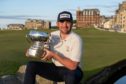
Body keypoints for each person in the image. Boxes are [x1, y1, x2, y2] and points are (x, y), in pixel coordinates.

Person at [23, 11, 83, 84]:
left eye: (68, 22)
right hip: (56, 68)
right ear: (57, 24)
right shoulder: (52, 35)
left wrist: (54, 55)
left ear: (72, 23)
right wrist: (34, 52)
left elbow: (73, 66)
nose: (65, 25)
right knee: (31, 65)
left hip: (74, 71)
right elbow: (46, 55)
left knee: (70, 75)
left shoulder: (76, 39)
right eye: (62, 22)